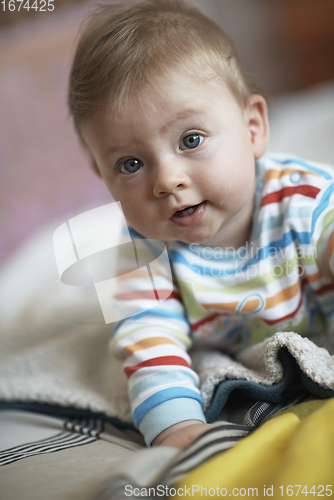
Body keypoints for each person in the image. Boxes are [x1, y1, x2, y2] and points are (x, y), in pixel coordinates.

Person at [68, 0, 334, 449]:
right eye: (130, 164)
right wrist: (177, 429)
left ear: (252, 128)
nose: (166, 180)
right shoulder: (136, 253)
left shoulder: (305, 199)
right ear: (102, 176)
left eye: (190, 140)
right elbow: (149, 345)